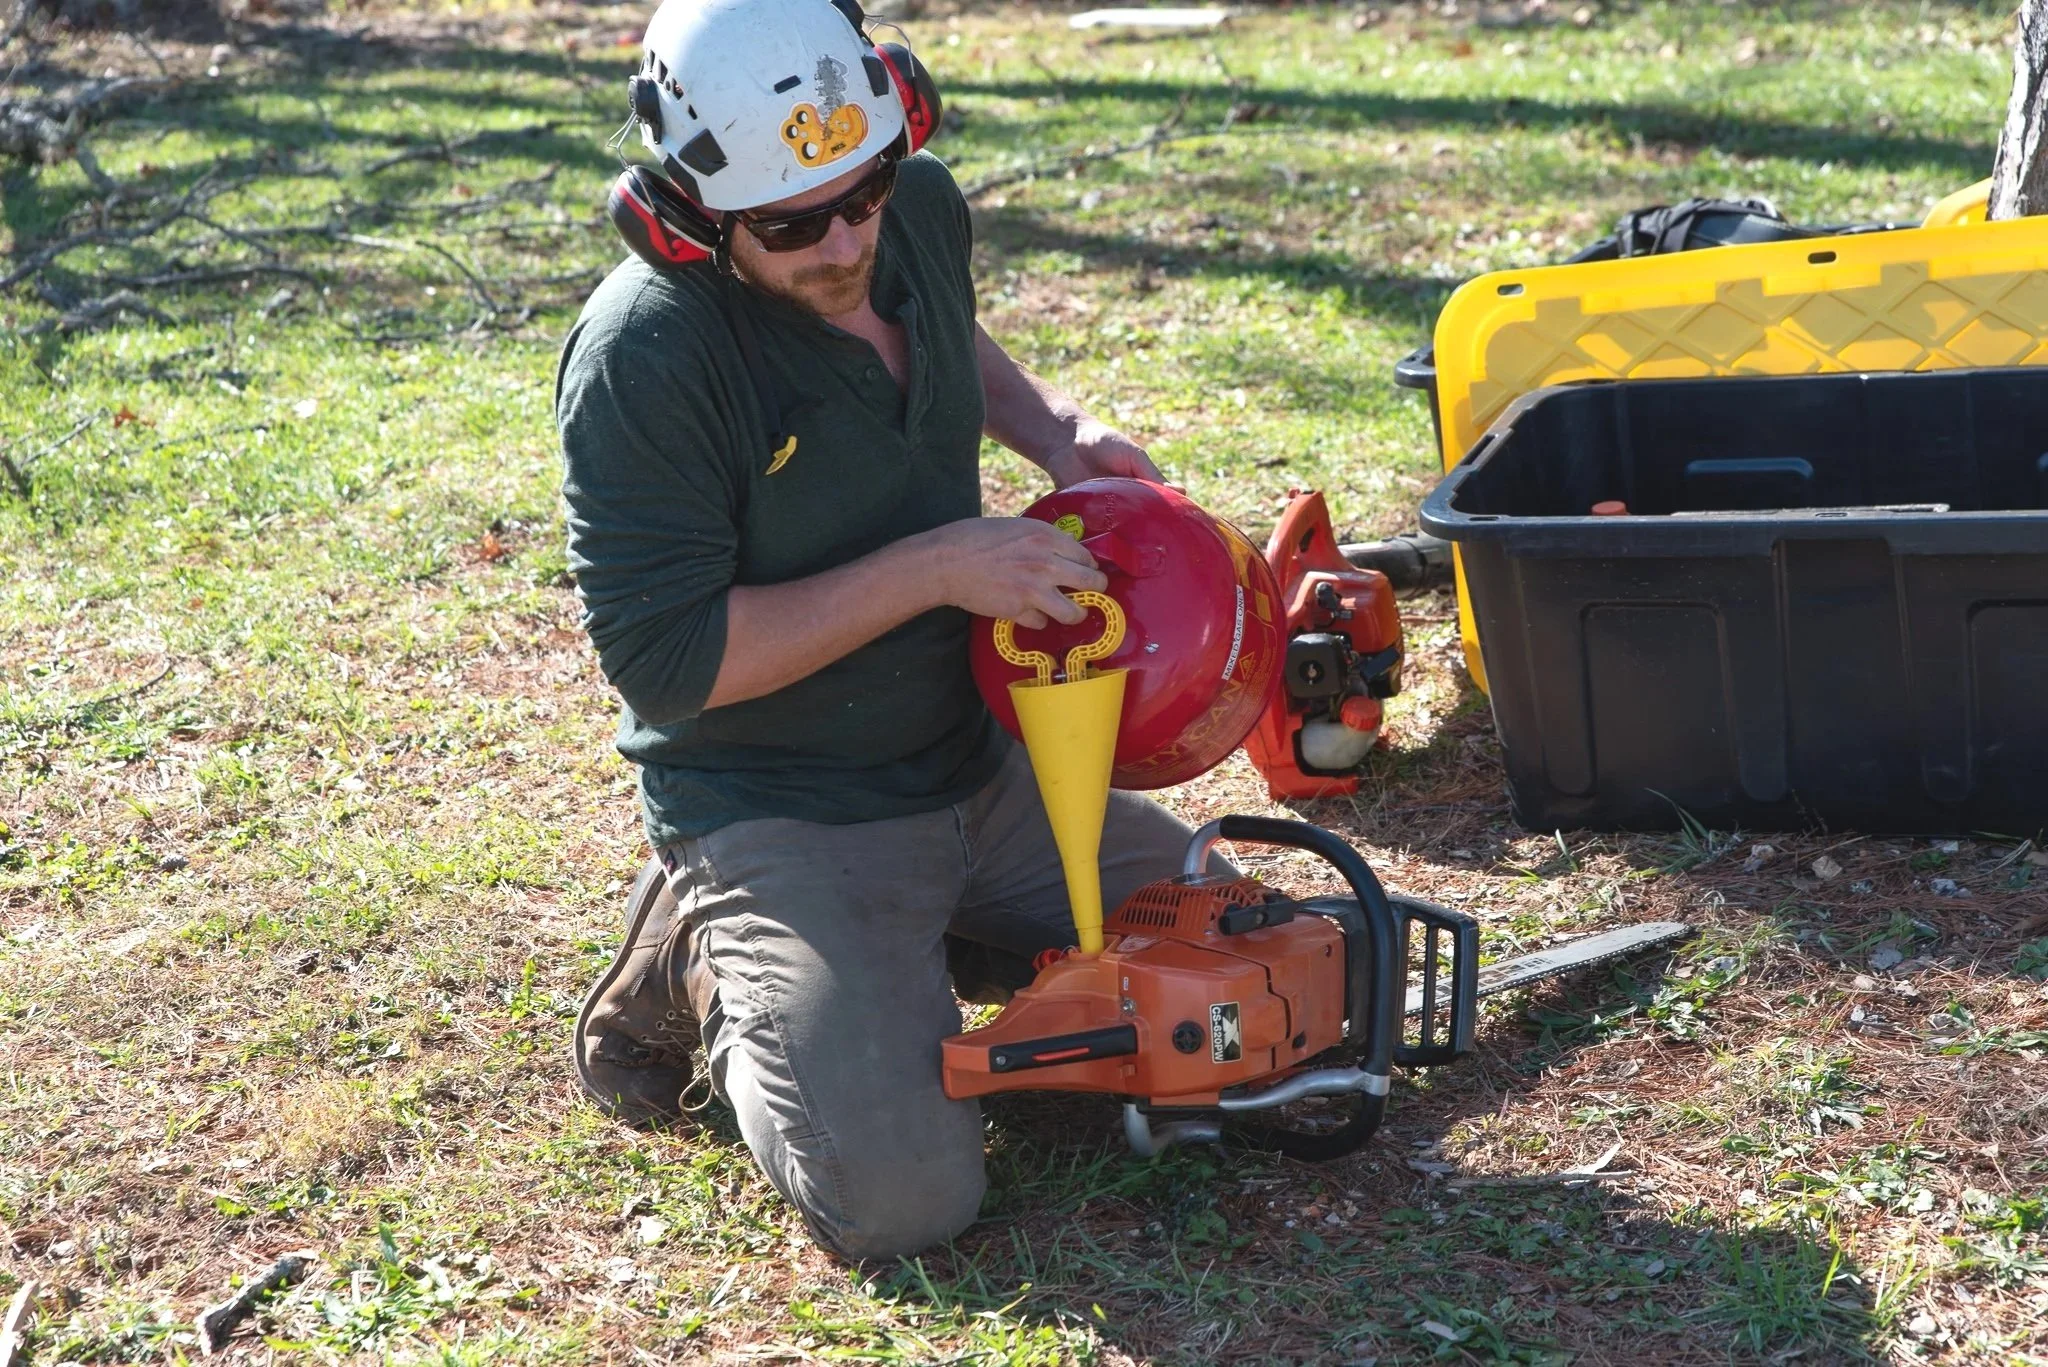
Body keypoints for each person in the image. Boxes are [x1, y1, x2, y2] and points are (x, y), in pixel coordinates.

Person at [554, 0, 1219, 1261]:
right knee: (905, 1201)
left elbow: (933, 313)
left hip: (976, 756)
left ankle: (938, 941)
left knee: (1243, 965)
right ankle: (705, 954)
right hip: (785, 800)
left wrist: (1054, 431)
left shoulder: (904, 215)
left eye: (863, 190)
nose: (845, 239)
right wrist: (929, 568)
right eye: (794, 224)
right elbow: (668, 663)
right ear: (689, 215)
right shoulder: (642, 357)